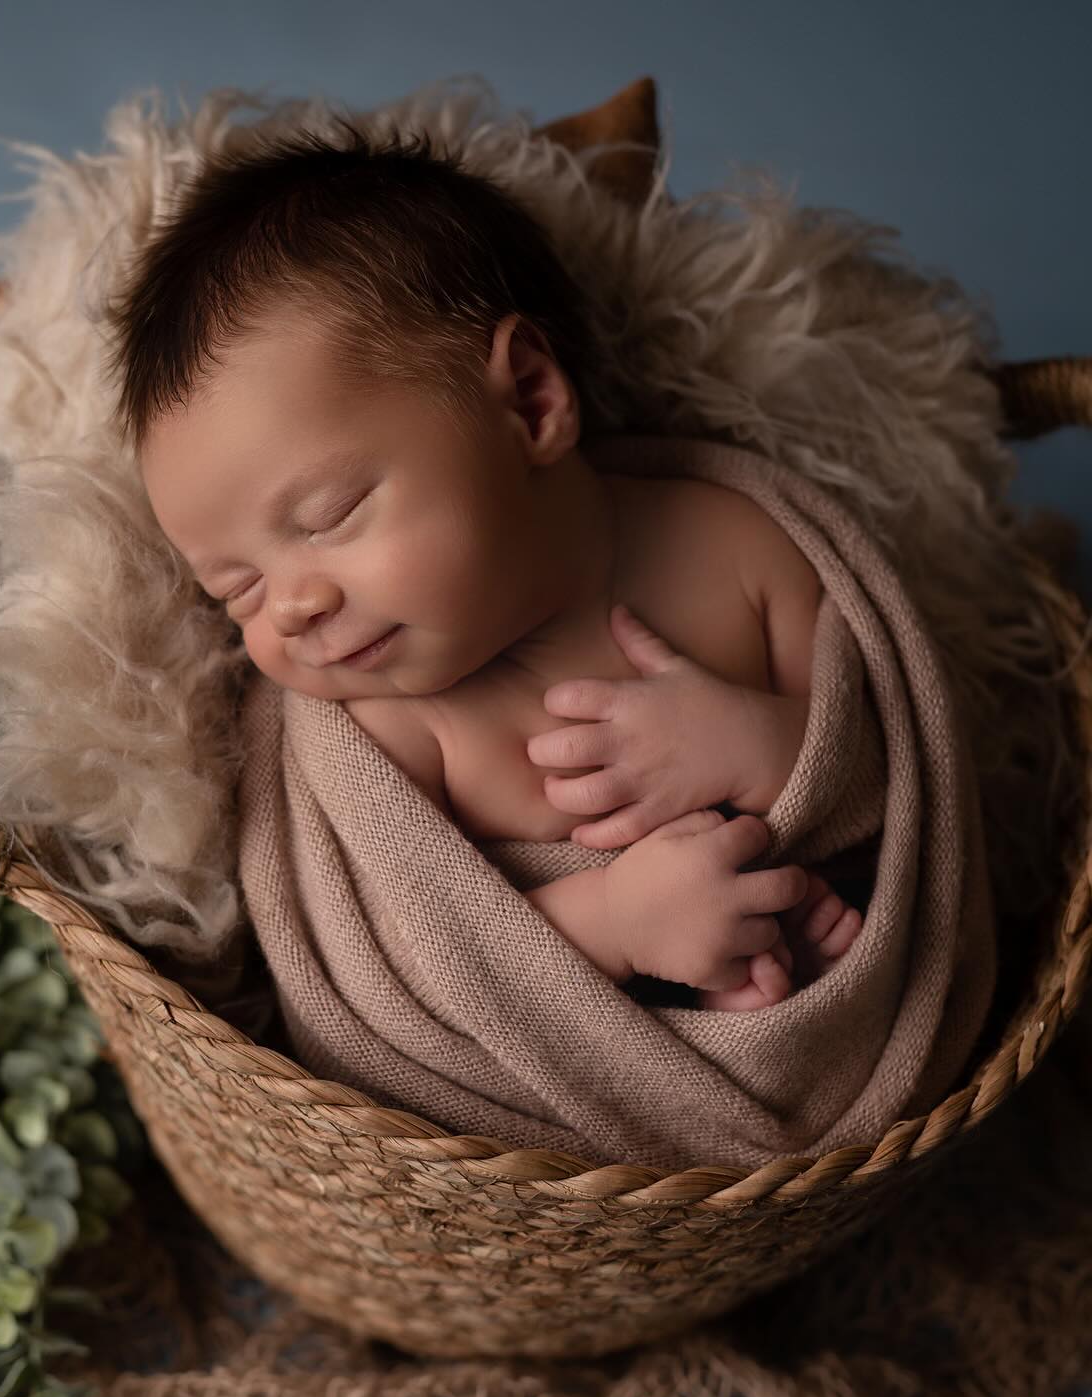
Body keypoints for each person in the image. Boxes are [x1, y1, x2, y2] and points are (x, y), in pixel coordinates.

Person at [108, 121, 863, 1012]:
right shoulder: (386, 734)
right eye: (236, 589)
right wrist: (616, 923)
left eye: (329, 516)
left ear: (530, 404)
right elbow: (402, 976)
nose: (290, 609)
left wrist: (761, 746)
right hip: (566, 1087)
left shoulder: (734, 548)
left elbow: (898, 763)